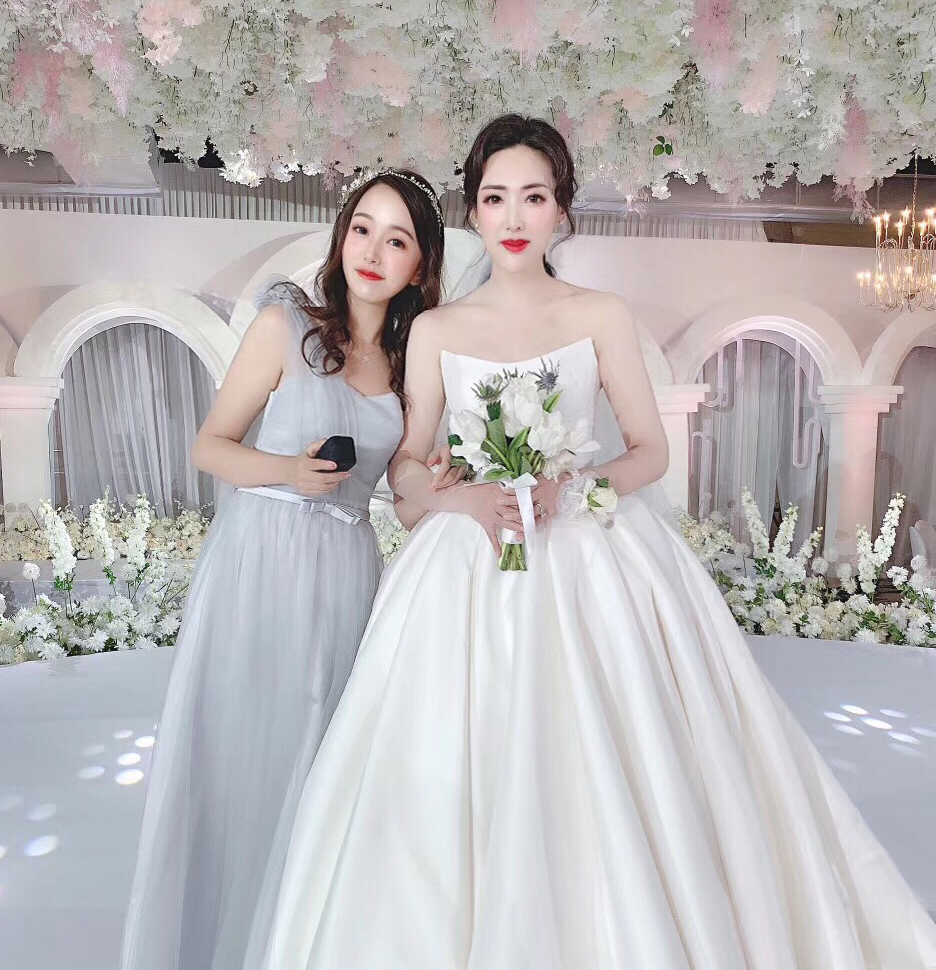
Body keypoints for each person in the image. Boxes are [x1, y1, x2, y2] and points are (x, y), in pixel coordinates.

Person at [255, 115, 936, 970]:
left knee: (625, 759)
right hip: (467, 558)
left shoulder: (600, 314)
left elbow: (648, 452)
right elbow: (406, 469)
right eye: (495, 198)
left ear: (561, 208)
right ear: (473, 209)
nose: (513, 217)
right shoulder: (436, 329)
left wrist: (568, 488)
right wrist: (460, 498)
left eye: (533, 197)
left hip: (590, 553)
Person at [120, 168, 449, 970]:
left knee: (317, 760)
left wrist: (442, 490)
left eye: (397, 240)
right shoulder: (285, 326)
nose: (373, 250)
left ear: (419, 266)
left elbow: (403, 491)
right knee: (239, 754)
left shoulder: (410, 369)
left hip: (344, 572)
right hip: (257, 559)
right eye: (362, 228)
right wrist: (287, 471)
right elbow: (210, 447)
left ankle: (288, 943)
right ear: (341, 236)